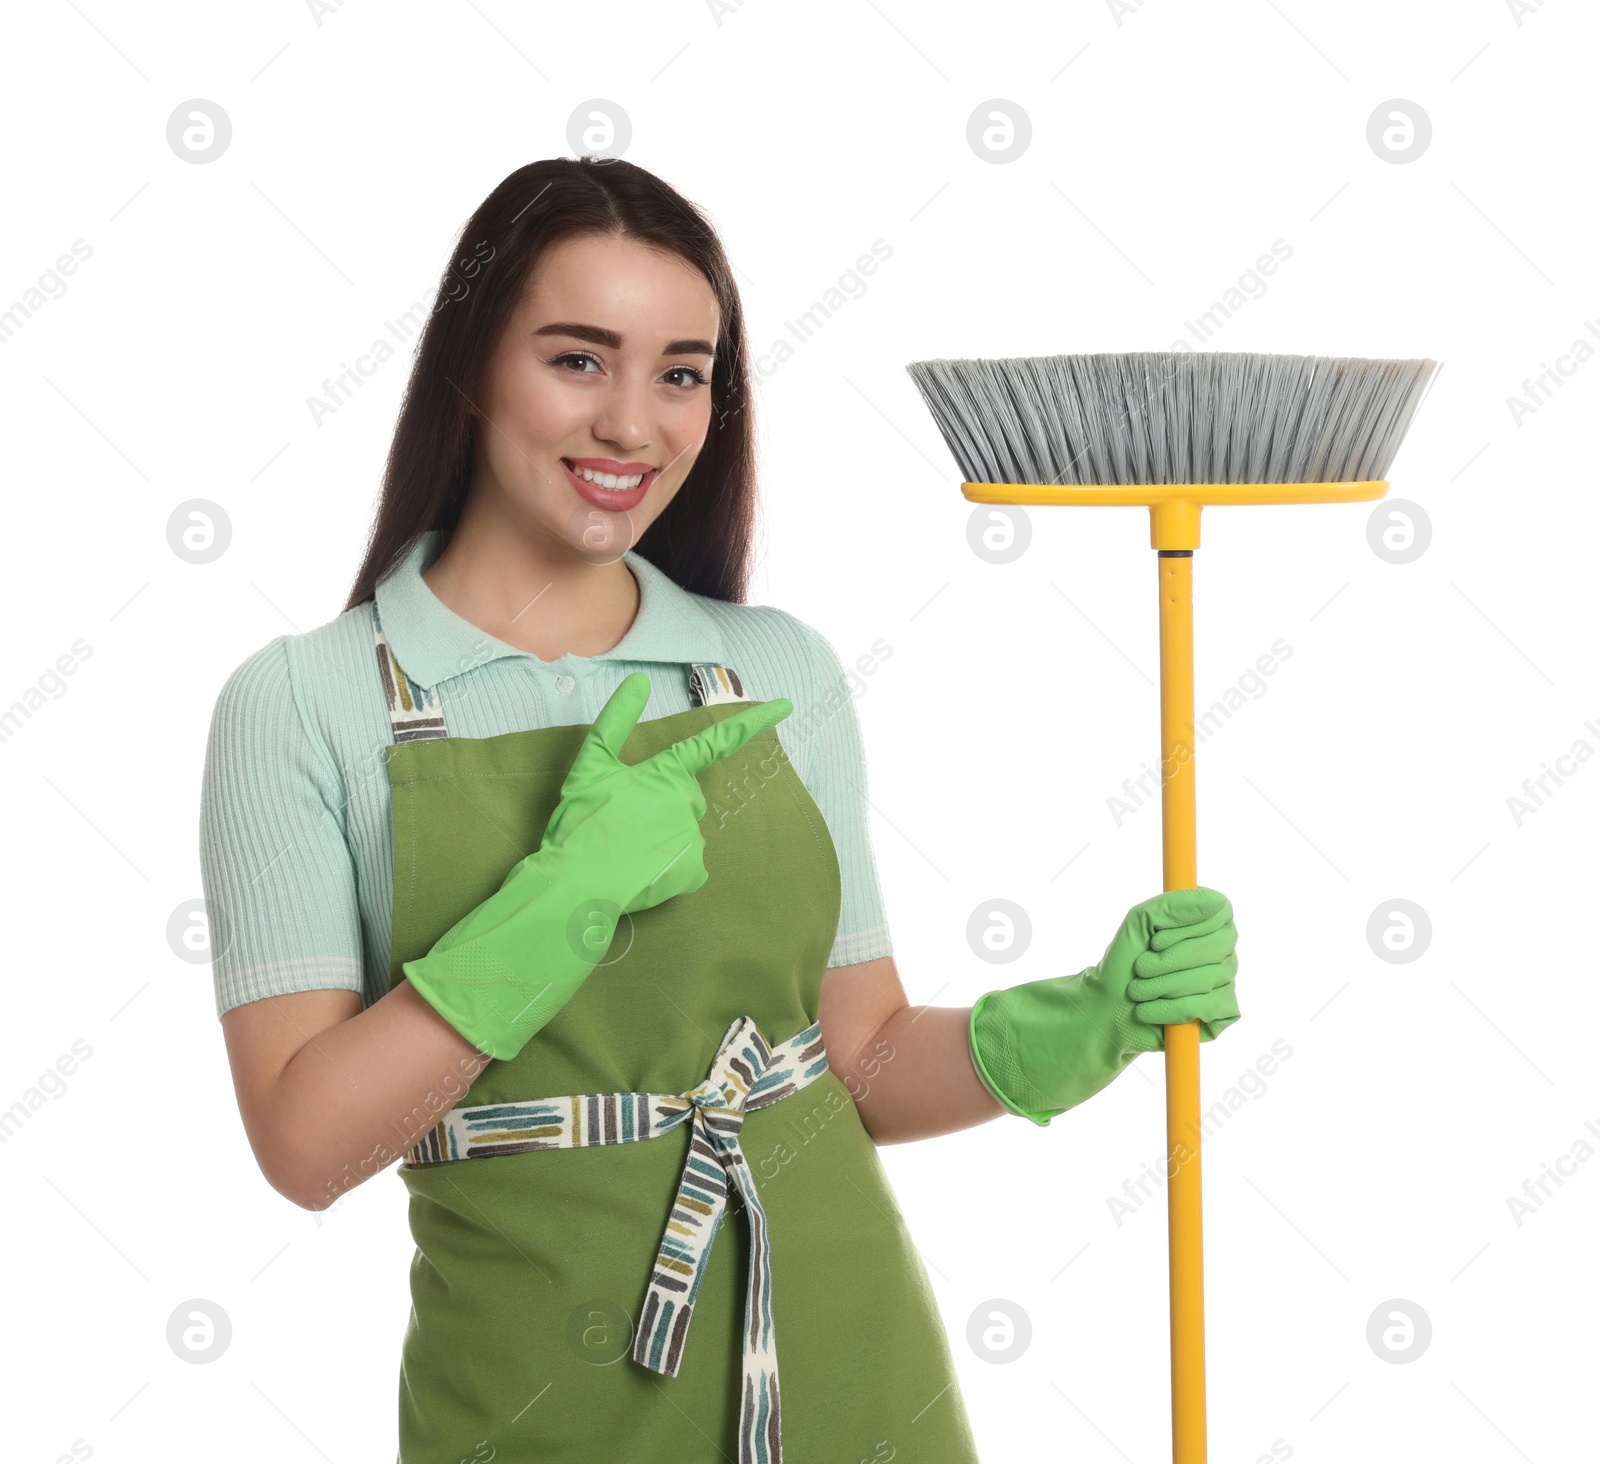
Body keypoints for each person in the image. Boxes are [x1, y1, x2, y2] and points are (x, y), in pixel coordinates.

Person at [200, 156, 1242, 1464]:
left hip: (849, 1364)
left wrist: (1079, 1025)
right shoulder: (308, 703)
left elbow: (858, 1058)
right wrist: (559, 903)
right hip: (537, 1403)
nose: (635, 426)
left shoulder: (775, 668)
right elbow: (305, 1145)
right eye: (579, 360)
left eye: (682, 373)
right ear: (471, 370)